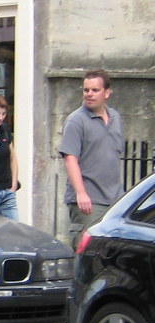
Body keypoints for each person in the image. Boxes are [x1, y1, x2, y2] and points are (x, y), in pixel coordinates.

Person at [58, 70, 123, 247]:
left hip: (114, 200)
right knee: (87, 254)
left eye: (95, 90)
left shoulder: (115, 117)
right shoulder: (76, 121)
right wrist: (81, 193)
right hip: (89, 202)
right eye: (86, 90)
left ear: (107, 93)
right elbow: (70, 159)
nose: (89, 94)